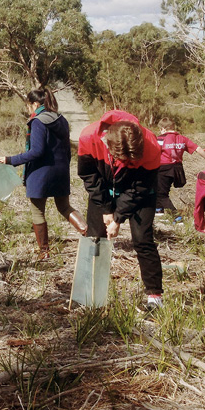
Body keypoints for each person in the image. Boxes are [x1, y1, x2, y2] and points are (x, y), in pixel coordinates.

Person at [78, 110, 164, 309]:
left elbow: (141, 187)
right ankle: (90, 294)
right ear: (106, 143)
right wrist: (107, 209)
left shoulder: (150, 145)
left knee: (142, 238)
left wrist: (118, 219)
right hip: (103, 186)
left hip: (139, 191)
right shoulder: (88, 137)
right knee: (95, 238)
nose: (126, 164)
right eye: (123, 160)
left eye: (130, 162)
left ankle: (155, 297)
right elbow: (89, 176)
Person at [0, 88, 87, 259]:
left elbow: (37, 151)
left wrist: (10, 160)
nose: (28, 110)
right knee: (65, 207)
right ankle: (88, 232)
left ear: (35, 104)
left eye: (28, 106)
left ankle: (44, 252)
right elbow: (68, 150)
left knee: (38, 211)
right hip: (61, 171)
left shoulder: (38, 122)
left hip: (41, 173)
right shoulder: (62, 120)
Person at [155, 118, 205, 214]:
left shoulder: (161, 139)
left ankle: (176, 217)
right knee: (161, 189)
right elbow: (197, 148)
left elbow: (154, 152)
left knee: (161, 193)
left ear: (163, 129)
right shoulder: (182, 138)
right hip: (177, 168)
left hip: (163, 168)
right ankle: (159, 211)